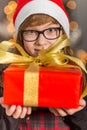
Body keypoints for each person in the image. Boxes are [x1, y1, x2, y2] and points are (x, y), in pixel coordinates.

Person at [0, 0, 87, 130]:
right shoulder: (5, 79)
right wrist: (9, 118)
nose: (41, 42)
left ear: (63, 34)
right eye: (31, 32)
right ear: (20, 38)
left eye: (51, 30)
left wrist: (77, 114)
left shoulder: (80, 76)